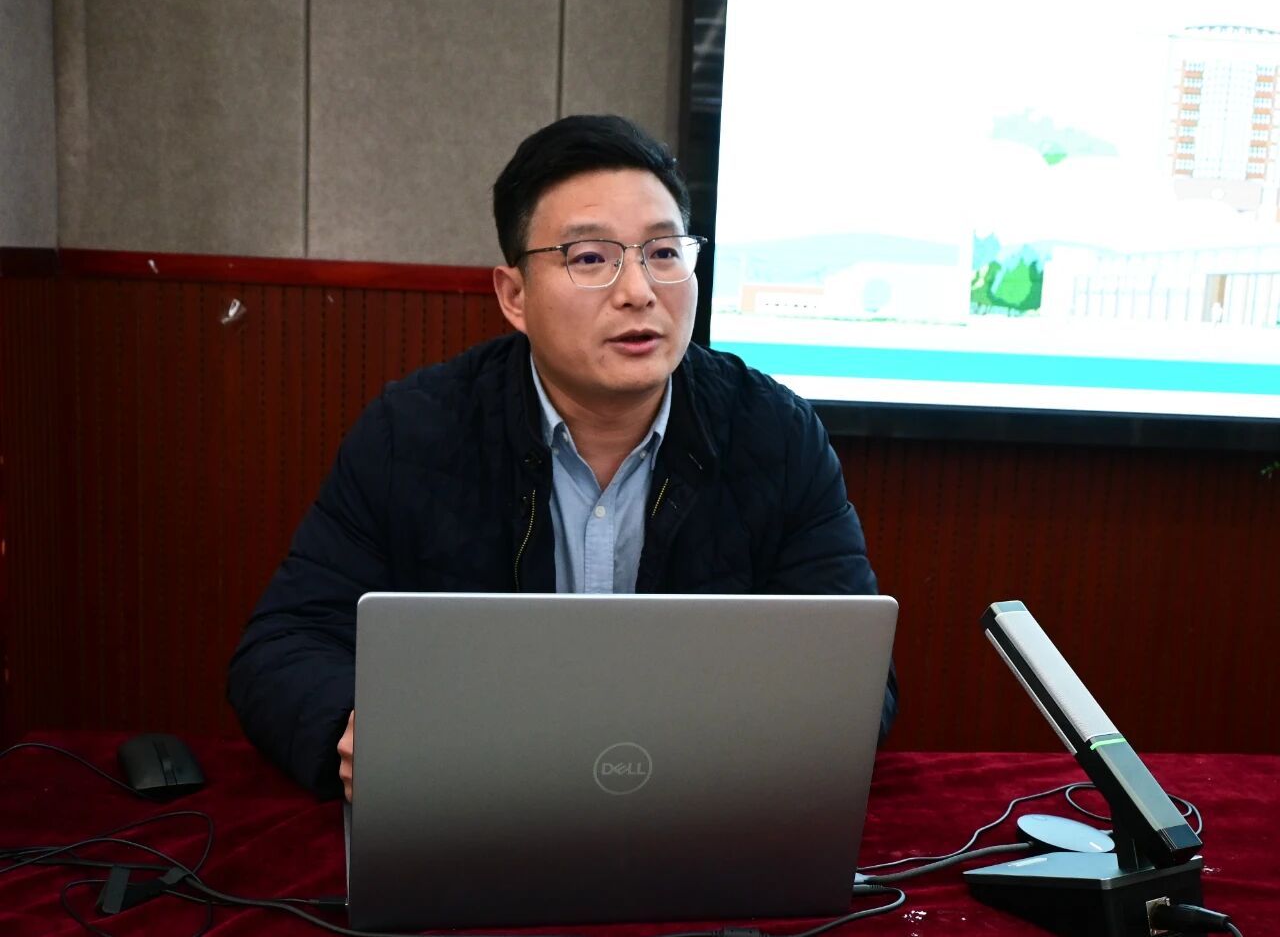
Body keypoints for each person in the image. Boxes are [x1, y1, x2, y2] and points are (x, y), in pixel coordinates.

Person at [227, 114, 898, 801]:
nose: (639, 291)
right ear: (514, 295)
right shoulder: (414, 433)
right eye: (590, 258)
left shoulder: (775, 434)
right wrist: (352, 727)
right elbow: (284, 645)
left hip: (699, 809)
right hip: (479, 802)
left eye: (664, 253)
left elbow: (854, 676)